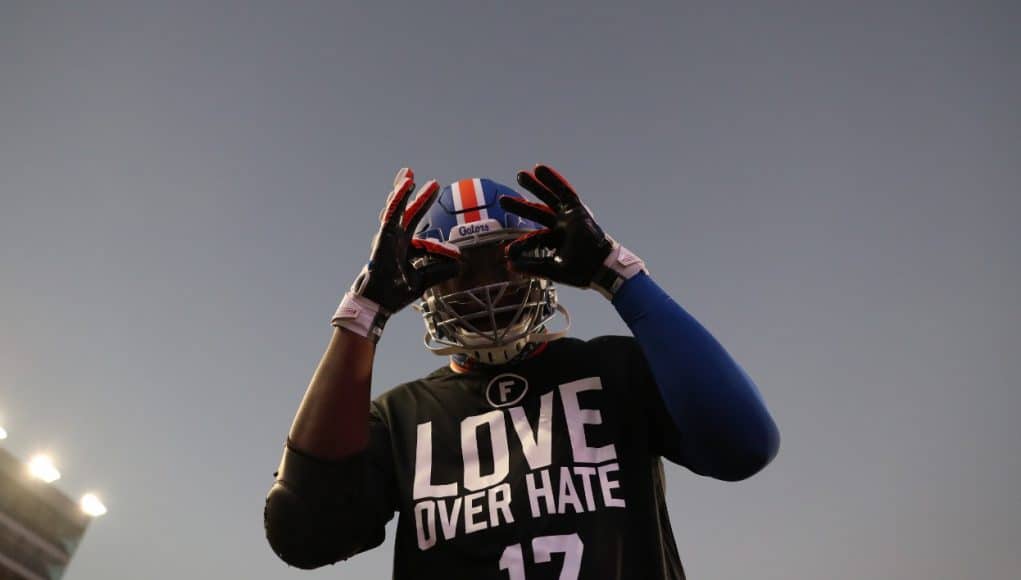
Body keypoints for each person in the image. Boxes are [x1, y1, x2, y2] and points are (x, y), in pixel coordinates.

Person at [264, 164, 781, 579]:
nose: (485, 287)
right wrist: (361, 314)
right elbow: (303, 534)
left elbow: (743, 446)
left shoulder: (614, 367)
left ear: (539, 261)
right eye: (464, 270)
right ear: (426, 281)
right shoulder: (398, 418)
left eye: (502, 263)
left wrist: (620, 274)